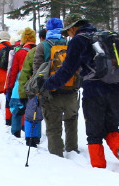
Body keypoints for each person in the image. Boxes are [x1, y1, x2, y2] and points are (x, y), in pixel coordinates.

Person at [37, 14, 119, 175]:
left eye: (68, 32)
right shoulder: (107, 36)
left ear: (74, 27)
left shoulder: (79, 40)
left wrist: (47, 84)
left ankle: (99, 170)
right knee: (112, 127)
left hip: (94, 91)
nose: (69, 36)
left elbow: (66, 71)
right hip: (117, 89)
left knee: (94, 134)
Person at [20, 18, 79, 156]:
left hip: (50, 92)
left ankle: (56, 155)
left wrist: (37, 90)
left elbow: (37, 71)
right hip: (70, 91)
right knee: (71, 121)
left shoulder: (43, 46)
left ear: (47, 30)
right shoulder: (70, 43)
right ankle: (73, 150)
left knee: (53, 126)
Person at [5, 27, 38, 138]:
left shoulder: (20, 52)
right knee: (34, 110)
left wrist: (9, 88)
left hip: (21, 83)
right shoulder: (39, 50)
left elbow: (13, 72)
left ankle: (16, 133)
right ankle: (33, 135)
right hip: (36, 84)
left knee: (17, 109)